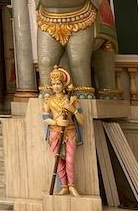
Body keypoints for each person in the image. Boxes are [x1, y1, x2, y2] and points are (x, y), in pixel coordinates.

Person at [42, 66, 85, 197]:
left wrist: (73, 110)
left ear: (63, 84)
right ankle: (64, 186)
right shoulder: (48, 100)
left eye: (58, 83)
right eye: (53, 84)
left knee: (70, 160)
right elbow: (45, 118)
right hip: (55, 133)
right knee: (58, 160)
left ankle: (72, 185)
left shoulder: (72, 100)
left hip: (70, 132)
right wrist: (56, 122)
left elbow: (82, 120)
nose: (55, 86)